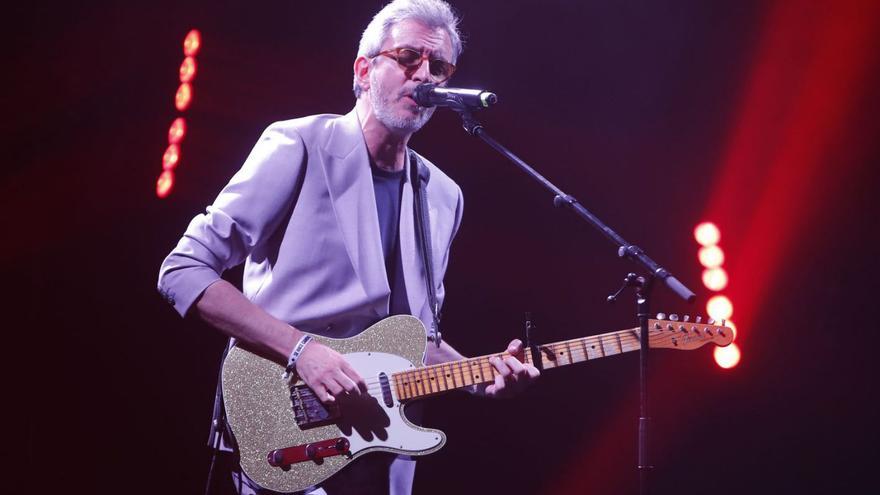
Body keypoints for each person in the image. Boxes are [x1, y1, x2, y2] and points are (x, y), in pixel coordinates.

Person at [157, 1, 539, 493]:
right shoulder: (299, 144)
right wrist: (301, 351)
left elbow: (415, 339)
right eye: (407, 57)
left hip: (381, 455)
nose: (424, 75)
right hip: (284, 430)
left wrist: (482, 377)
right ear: (364, 69)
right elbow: (184, 270)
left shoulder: (443, 196)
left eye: (438, 67)